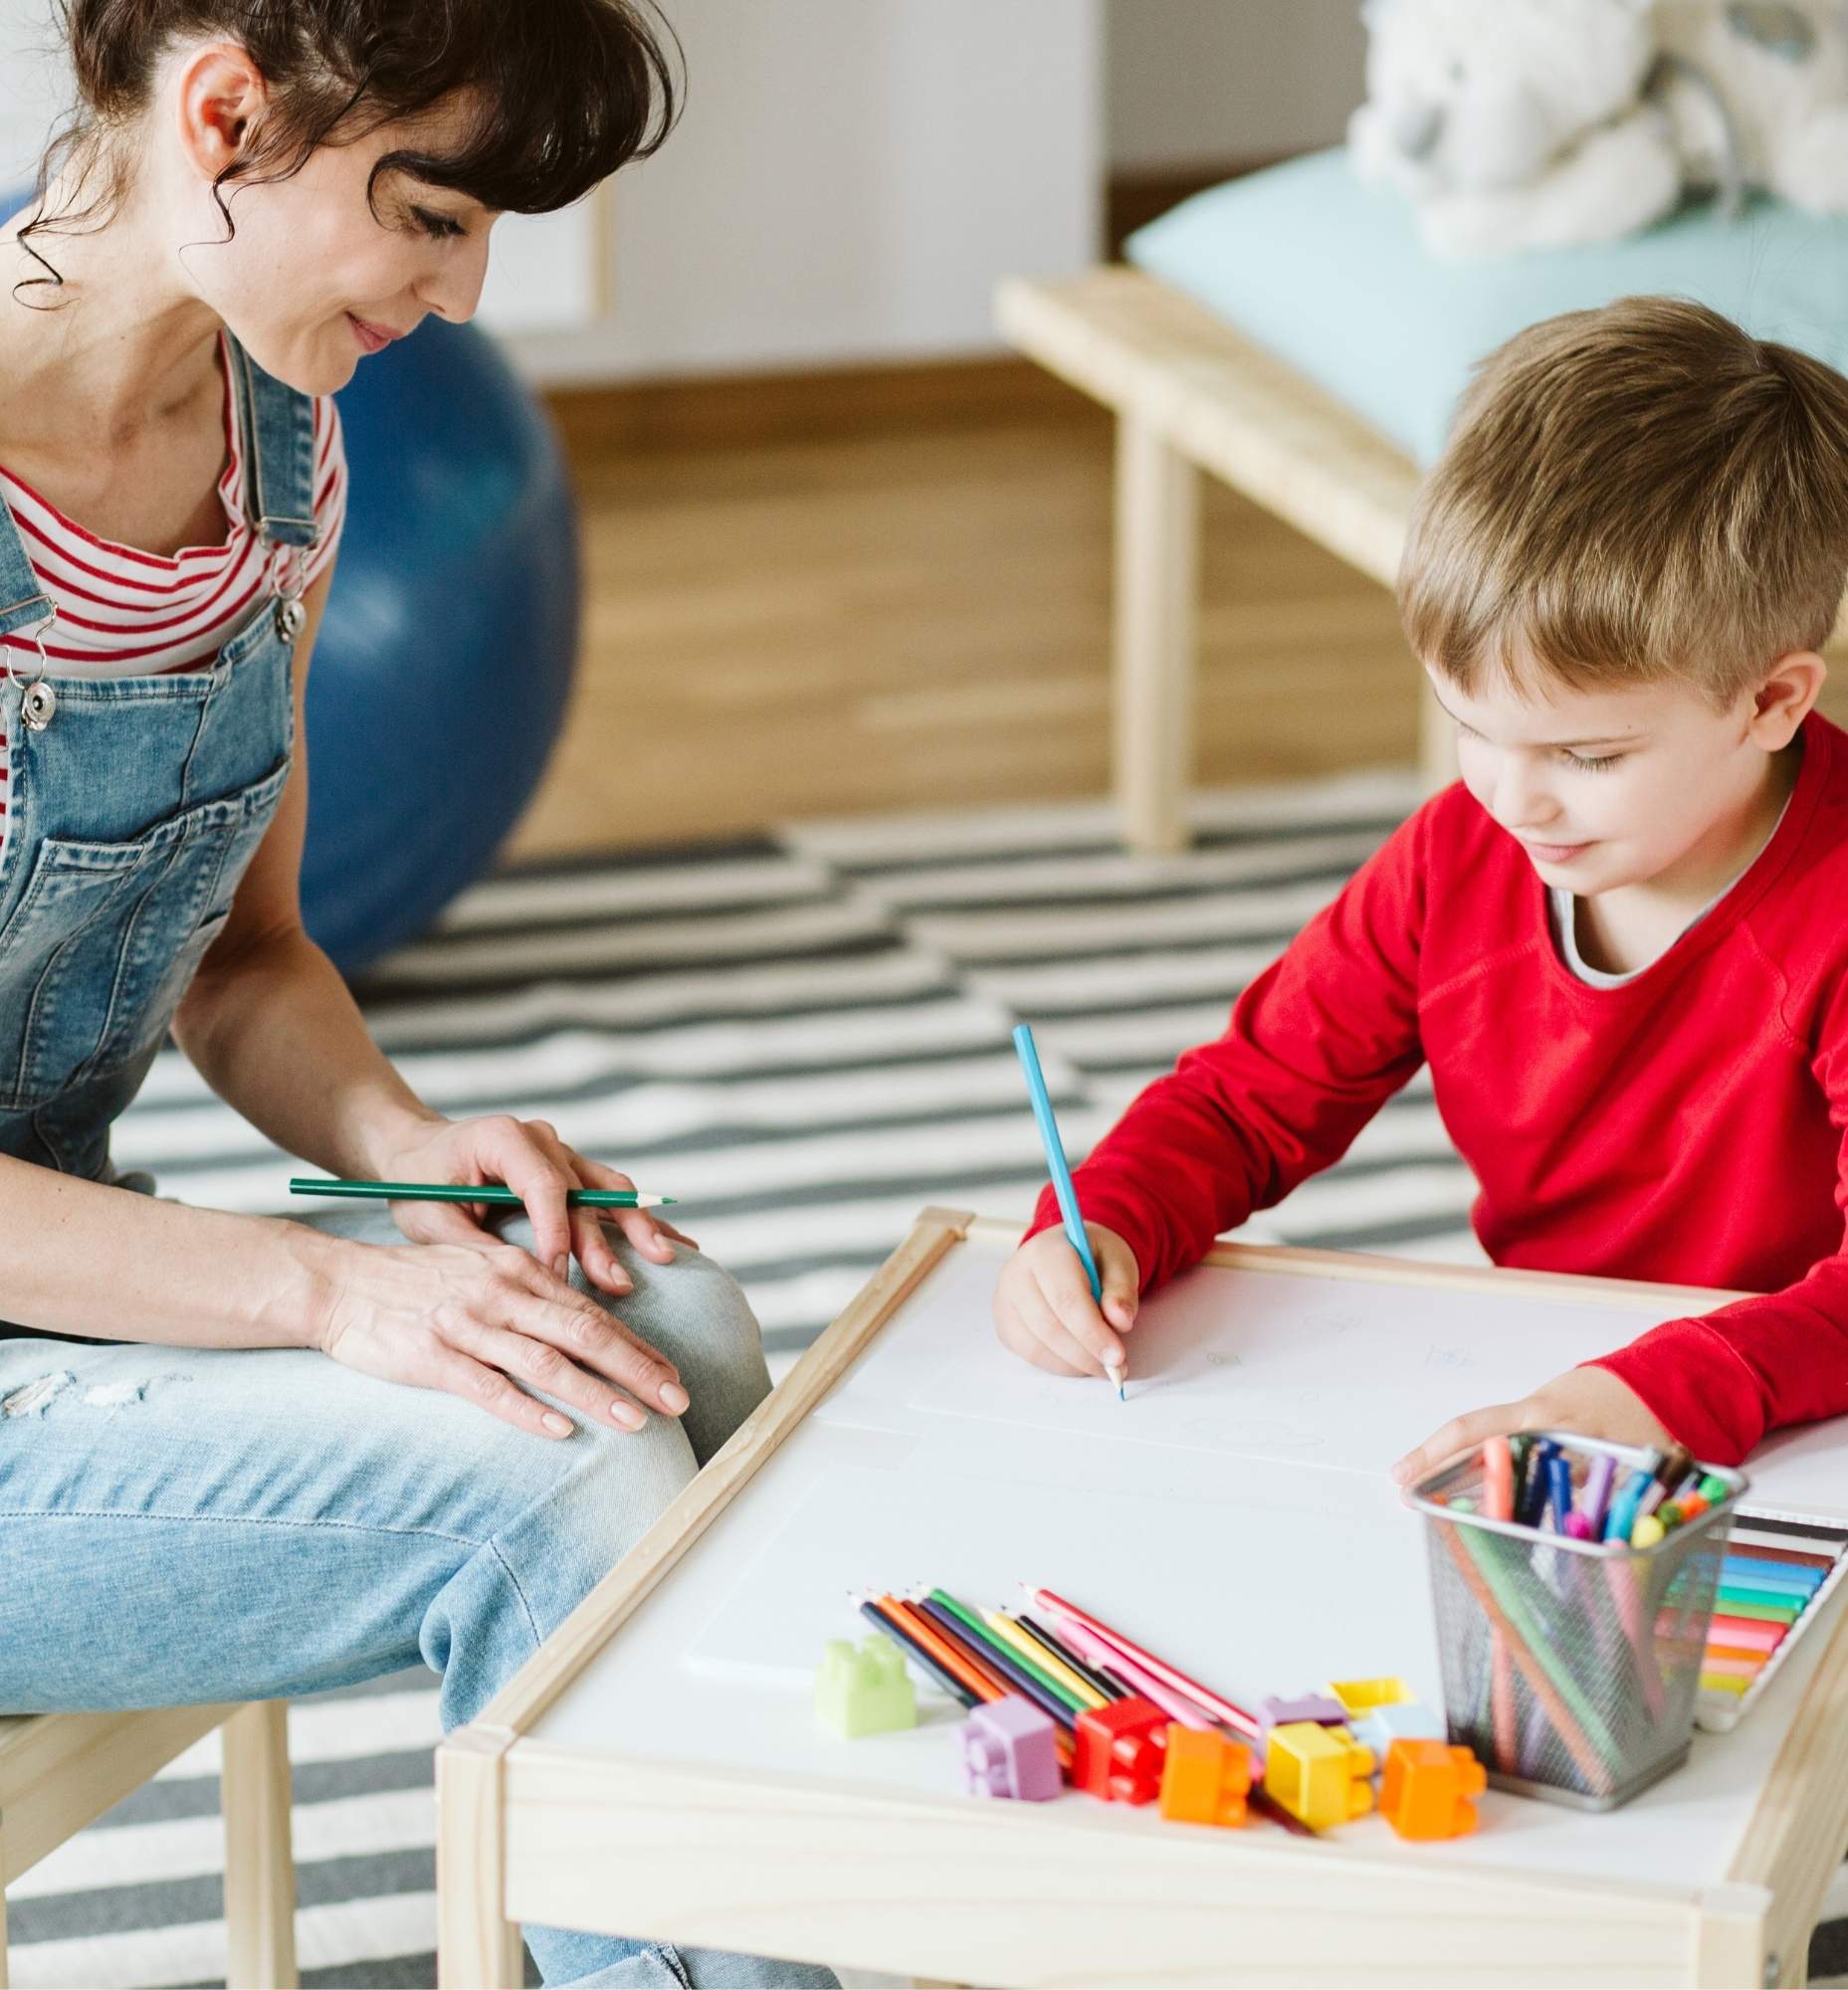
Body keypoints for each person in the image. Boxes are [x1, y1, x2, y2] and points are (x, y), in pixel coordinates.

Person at [0, 4, 834, 1983]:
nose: (461, 296)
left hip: (56, 1296)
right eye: (431, 214)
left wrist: (406, 1151)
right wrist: (324, 1286)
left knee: (670, 1334)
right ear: (224, 112)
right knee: (549, 1472)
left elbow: (250, 957)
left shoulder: (275, 454)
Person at [995, 296, 1848, 1482]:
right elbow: (1254, 1099)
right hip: (1574, 1388)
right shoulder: (1463, 851)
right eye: (1472, 728)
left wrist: (1658, 1390)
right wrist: (1105, 1219)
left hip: (1791, 1404)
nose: (1516, 797)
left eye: (1586, 757)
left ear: (1772, 702)